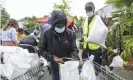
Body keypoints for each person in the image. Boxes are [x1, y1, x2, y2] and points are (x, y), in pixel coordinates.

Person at [38, 10, 79, 80]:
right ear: (53, 25)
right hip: (55, 67)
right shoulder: (46, 34)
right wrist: (51, 58)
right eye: (58, 26)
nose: (60, 27)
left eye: (62, 25)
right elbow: (41, 50)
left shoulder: (70, 34)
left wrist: (73, 58)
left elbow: (74, 49)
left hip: (68, 66)